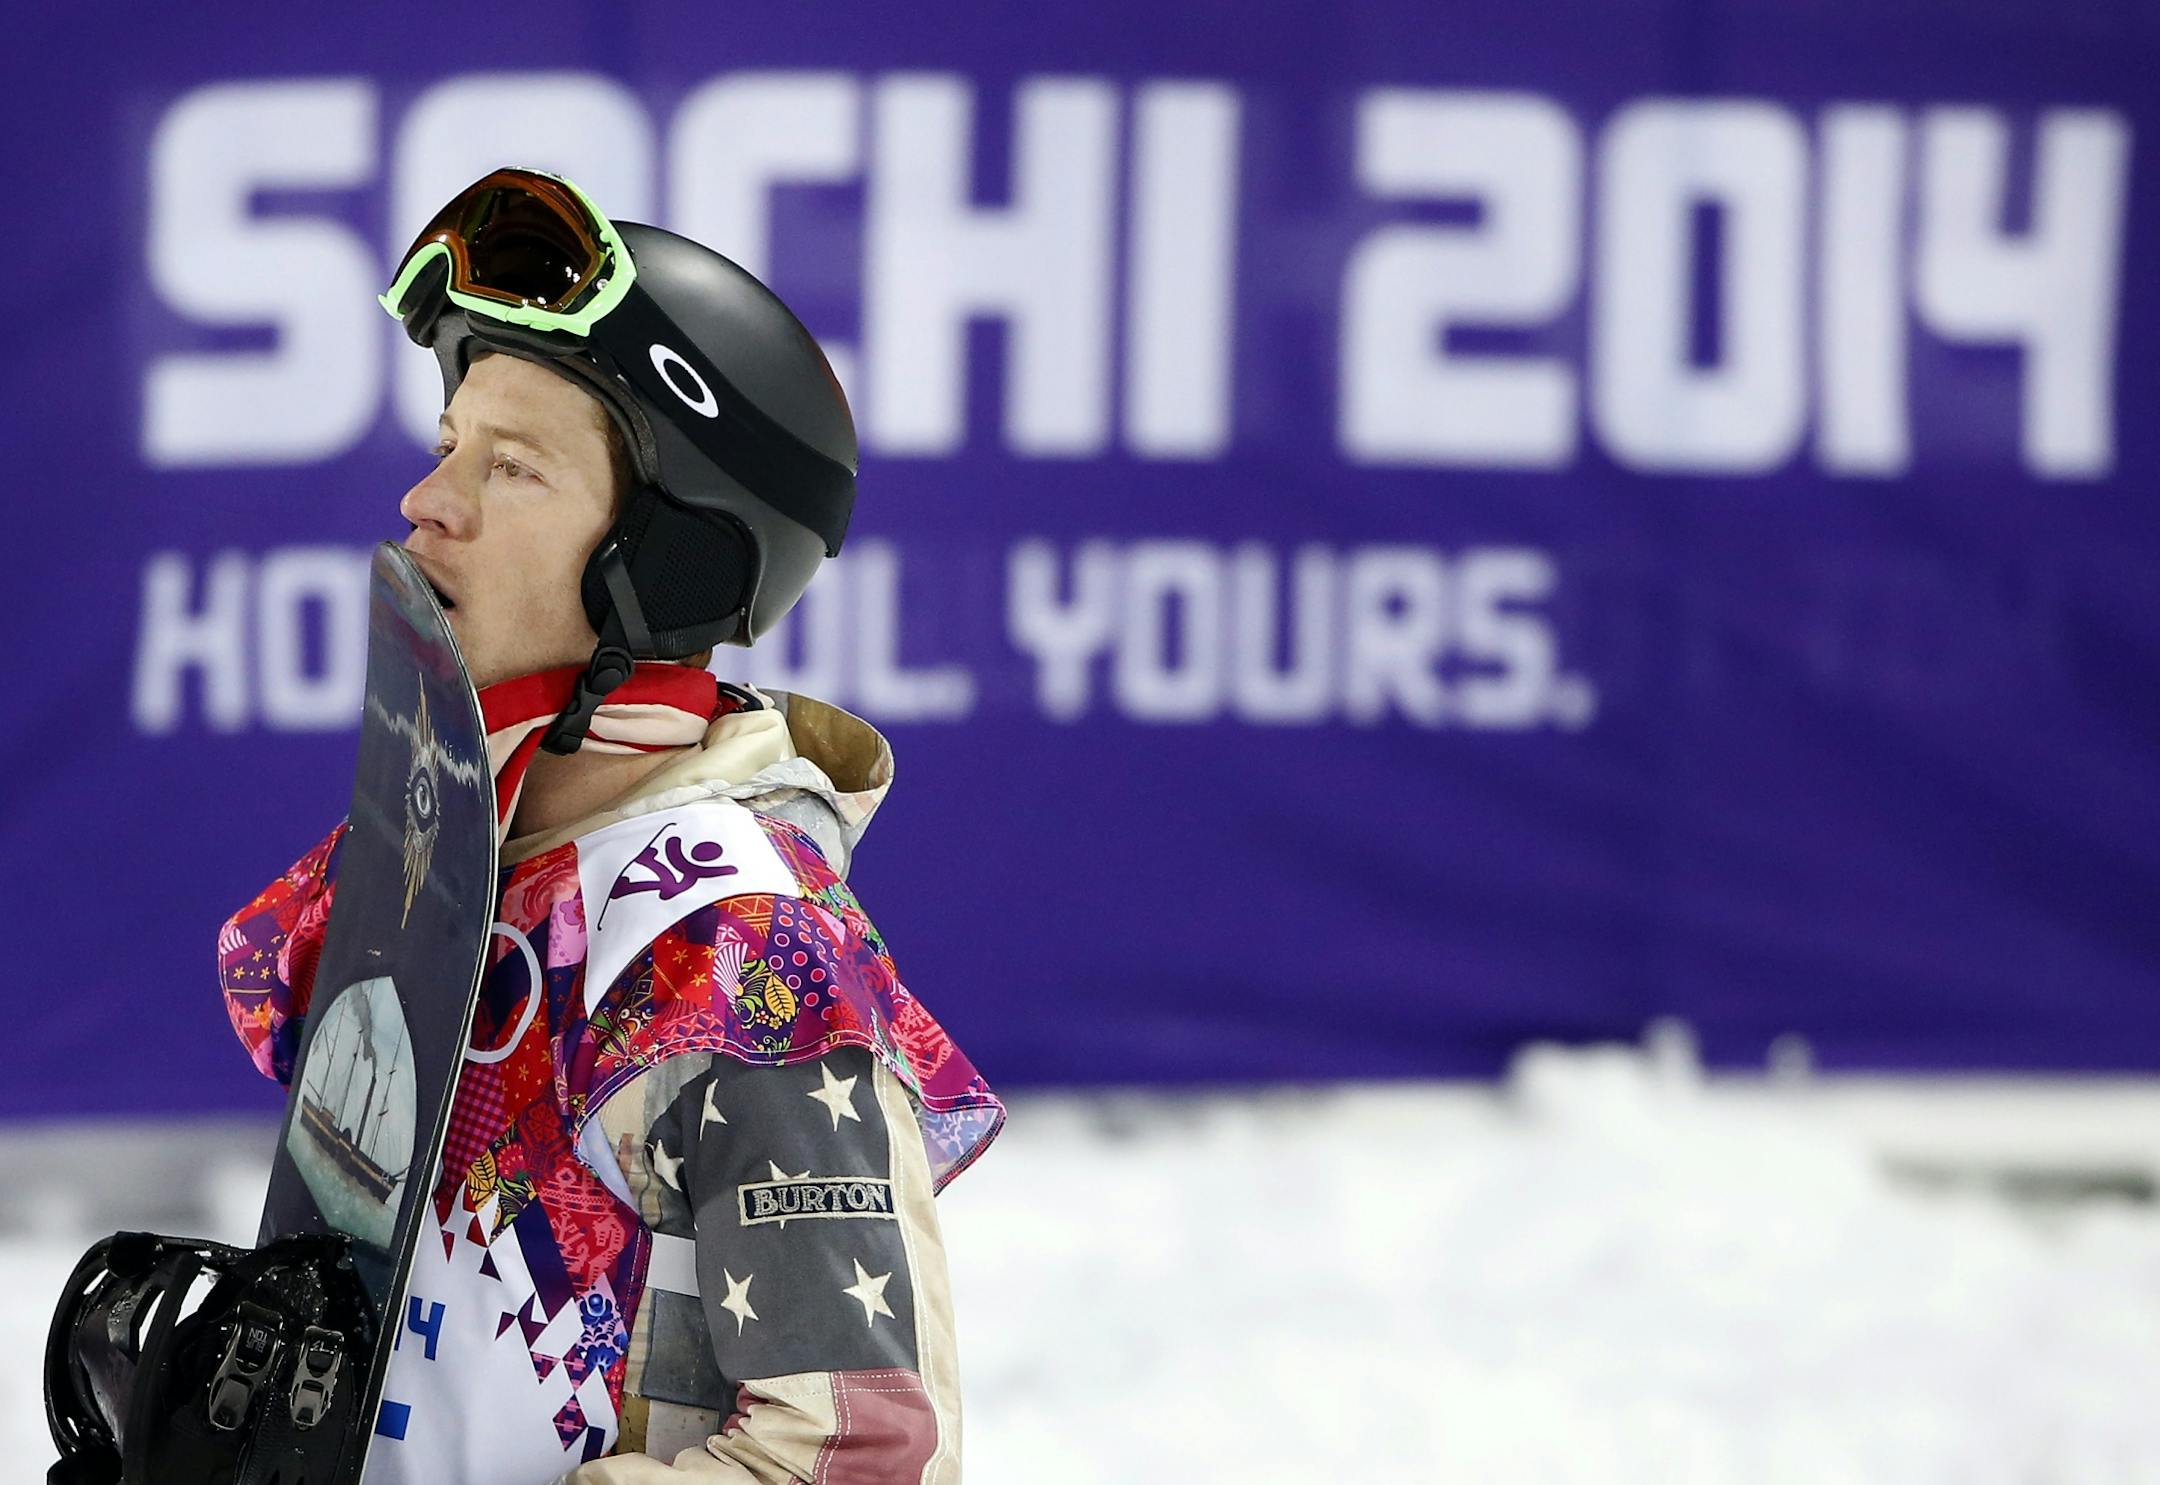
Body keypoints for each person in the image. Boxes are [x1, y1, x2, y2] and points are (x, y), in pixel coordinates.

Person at [217, 168, 1003, 1485]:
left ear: (663, 568)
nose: (430, 500)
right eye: (447, 443)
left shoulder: (746, 958)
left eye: (511, 465)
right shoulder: (465, 875)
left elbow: (856, 1458)